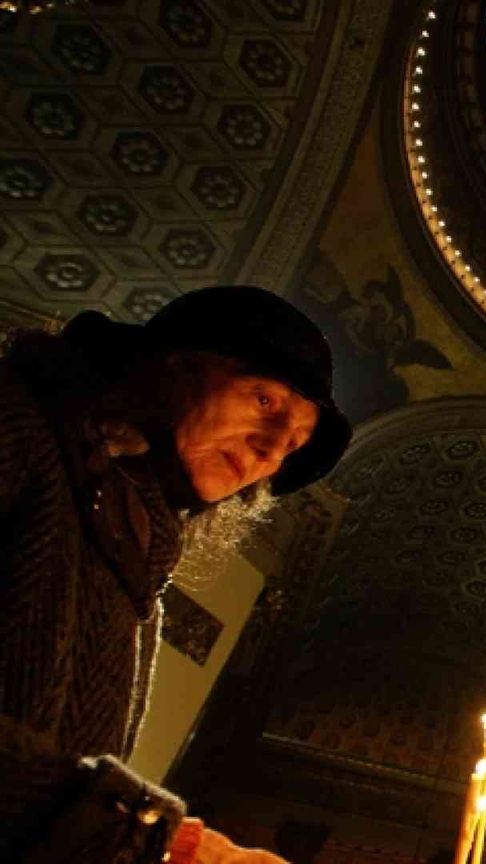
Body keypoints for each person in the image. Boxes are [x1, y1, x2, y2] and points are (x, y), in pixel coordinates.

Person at [0, 286, 352, 863]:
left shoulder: (138, 558)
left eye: (293, 445)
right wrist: (168, 844)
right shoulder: (17, 425)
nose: (270, 451)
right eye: (264, 401)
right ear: (177, 366)